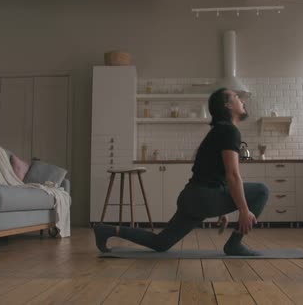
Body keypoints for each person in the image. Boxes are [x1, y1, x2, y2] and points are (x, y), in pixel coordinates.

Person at [94, 88, 269, 255]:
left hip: (191, 197)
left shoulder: (219, 130)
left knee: (160, 243)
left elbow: (215, 173)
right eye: (237, 97)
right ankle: (234, 245)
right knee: (261, 191)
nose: (241, 101)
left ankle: (107, 229)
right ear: (228, 105)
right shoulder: (230, 131)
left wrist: (222, 210)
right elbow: (232, 175)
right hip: (203, 198)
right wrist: (244, 211)